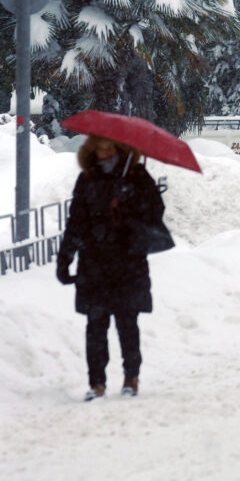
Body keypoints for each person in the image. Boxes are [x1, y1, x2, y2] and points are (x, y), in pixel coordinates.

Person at [56, 134, 165, 401]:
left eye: (109, 148)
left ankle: (131, 377)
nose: (104, 153)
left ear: (120, 148)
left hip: (127, 263)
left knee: (127, 324)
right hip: (94, 264)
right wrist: (65, 257)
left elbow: (155, 211)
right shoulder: (88, 179)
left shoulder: (136, 176)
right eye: (99, 148)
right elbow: (76, 221)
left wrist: (129, 201)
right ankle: (97, 384)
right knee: (95, 326)